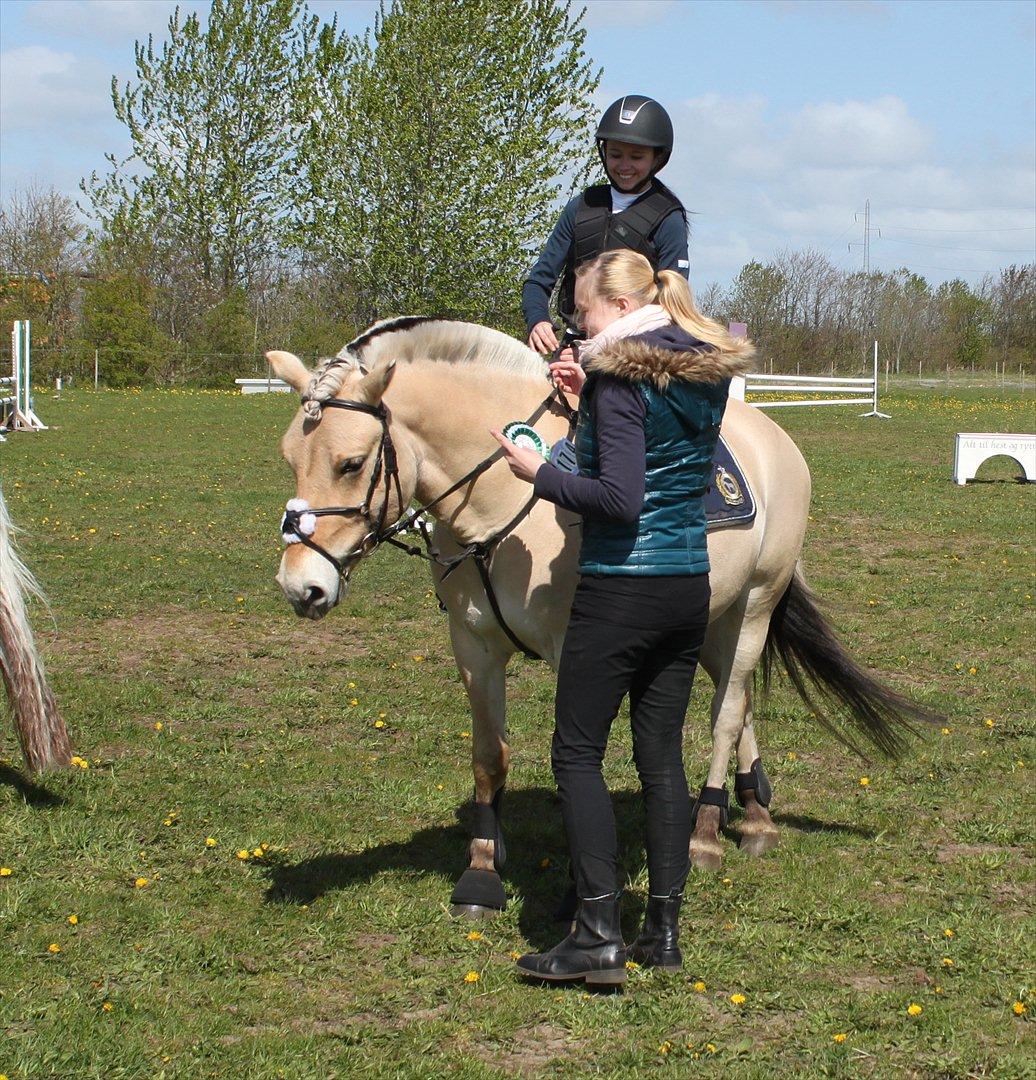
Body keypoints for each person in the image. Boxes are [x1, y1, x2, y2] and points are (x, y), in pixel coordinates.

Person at [493, 250, 754, 986]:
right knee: (661, 758)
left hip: (621, 587)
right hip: (687, 585)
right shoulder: (700, 368)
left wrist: (537, 471)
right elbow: (665, 452)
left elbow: (620, 498)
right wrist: (589, 402)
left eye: (581, 312)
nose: (576, 325)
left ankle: (597, 933)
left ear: (614, 307)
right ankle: (662, 933)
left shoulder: (618, 376)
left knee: (576, 754)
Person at [522, 94, 690, 356]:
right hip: (574, 342)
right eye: (615, 154)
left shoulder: (668, 218)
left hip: (632, 351)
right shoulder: (582, 205)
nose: (624, 165)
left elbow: (672, 301)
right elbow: (540, 279)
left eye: (636, 157)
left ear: (657, 158)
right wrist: (538, 320)